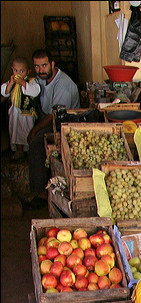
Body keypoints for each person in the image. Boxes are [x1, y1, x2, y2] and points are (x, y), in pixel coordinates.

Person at [26, 49, 80, 205]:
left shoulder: (63, 85)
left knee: (36, 143)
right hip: (46, 117)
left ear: (52, 64)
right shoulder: (41, 79)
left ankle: (40, 193)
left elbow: (53, 116)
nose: (40, 70)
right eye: (37, 66)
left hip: (62, 123)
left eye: (44, 65)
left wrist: (34, 130)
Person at [1, 56, 41, 160]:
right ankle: (19, 151)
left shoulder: (32, 81)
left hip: (27, 113)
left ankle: (29, 151)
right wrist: (11, 83)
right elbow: (5, 93)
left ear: (28, 71)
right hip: (15, 112)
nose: (18, 73)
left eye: (22, 71)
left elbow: (35, 91)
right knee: (16, 130)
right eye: (15, 70)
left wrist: (23, 83)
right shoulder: (12, 82)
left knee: (27, 131)